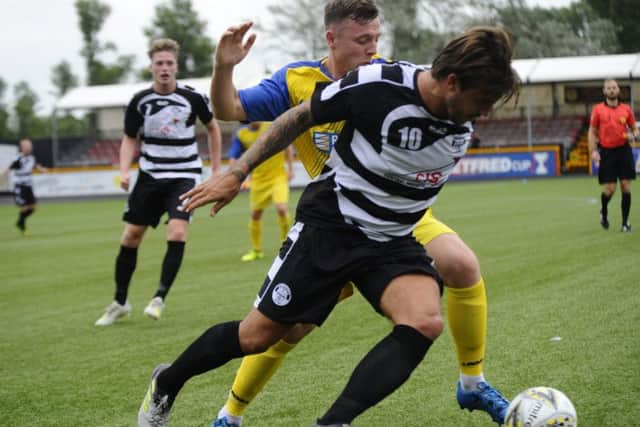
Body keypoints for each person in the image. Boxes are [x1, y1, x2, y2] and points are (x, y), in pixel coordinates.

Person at [137, 26, 519, 427]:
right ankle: (168, 381)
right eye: (483, 101)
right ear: (453, 83)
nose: (486, 113)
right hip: (331, 227)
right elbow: (301, 116)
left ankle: (333, 422)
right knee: (258, 336)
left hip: (391, 239)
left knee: (424, 321)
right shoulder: (379, 86)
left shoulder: (457, 111)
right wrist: (237, 172)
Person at [94, 38, 222, 326]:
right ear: (151, 66)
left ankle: (159, 297)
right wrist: (124, 170)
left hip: (184, 174)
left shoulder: (193, 98)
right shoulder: (139, 101)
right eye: (159, 63)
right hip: (150, 175)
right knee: (130, 237)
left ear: (176, 66)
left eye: (169, 63)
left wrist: (215, 171)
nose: (164, 68)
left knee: (177, 233)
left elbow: (213, 129)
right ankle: (120, 302)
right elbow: (129, 138)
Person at [229, 122, 294, 261]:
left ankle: (287, 245)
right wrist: (232, 177)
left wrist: (291, 168)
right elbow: (234, 158)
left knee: (281, 208)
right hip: (258, 179)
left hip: (278, 176)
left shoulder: (272, 126)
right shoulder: (242, 135)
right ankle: (256, 250)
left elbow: (287, 145)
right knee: (255, 214)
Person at [588, 78, 639, 233]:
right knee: (610, 189)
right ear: (604, 91)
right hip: (607, 152)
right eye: (608, 88)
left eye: (614, 87)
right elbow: (592, 131)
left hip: (624, 150)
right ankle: (604, 211)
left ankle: (625, 223)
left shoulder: (626, 109)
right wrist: (593, 150)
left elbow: (634, 129)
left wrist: (634, 135)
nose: (611, 90)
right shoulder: (598, 110)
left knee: (626, 186)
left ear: (618, 90)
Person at [1, 138, 48, 234]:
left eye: (30, 146)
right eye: (27, 146)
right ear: (22, 147)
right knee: (24, 207)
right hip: (20, 186)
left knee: (34, 207)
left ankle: (20, 221)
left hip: (28, 186)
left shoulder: (31, 158)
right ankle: (22, 224)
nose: (30, 148)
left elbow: (36, 166)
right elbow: (7, 169)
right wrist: (1, 178)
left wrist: (42, 169)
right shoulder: (18, 158)